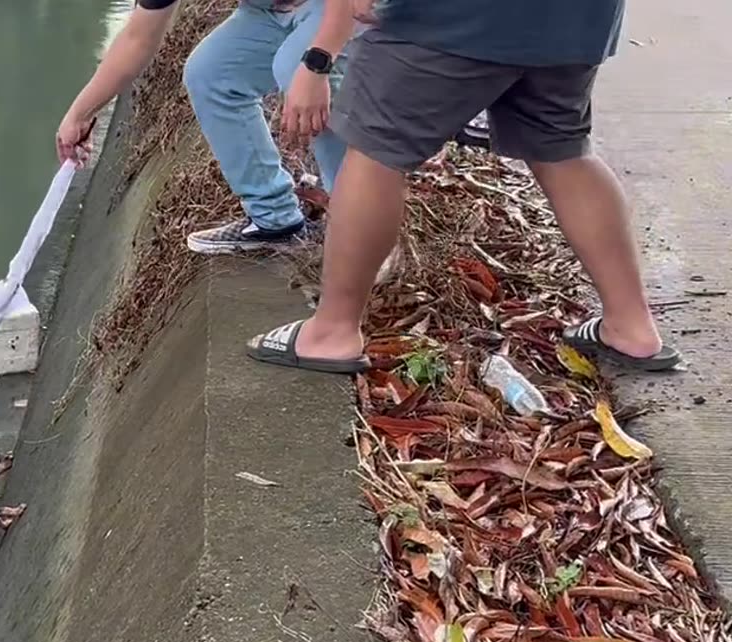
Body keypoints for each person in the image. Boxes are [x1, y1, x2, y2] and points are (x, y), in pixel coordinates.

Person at [246, 0, 682, 374]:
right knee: (563, 150)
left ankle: (331, 332)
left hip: (452, 18)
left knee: (375, 148)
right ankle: (631, 326)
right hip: (576, 20)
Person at [57, 0, 357, 255]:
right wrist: (79, 114)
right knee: (211, 73)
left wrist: (317, 63)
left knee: (298, 69)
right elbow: (138, 38)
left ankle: (359, 228)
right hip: (271, 9)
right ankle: (275, 219)